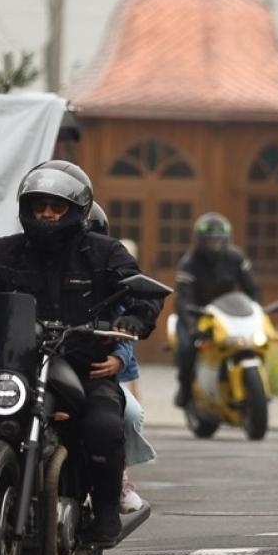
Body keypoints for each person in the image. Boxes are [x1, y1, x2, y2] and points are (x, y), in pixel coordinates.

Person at [0, 162, 161, 546]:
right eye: (39, 205)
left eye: (56, 206)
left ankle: (107, 513)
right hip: (16, 365)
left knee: (103, 427)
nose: (46, 213)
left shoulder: (103, 253)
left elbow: (142, 293)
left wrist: (133, 320)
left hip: (83, 367)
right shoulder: (5, 252)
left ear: (77, 209)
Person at [86, 203, 155, 513]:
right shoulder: (26, 265)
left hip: (91, 370)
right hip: (42, 368)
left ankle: (115, 476)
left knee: (127, 415)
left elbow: (126, 323)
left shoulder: (110, 279)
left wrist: (118, 358)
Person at [173, 212, 260, 408]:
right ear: (200, 241)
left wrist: (255, 309)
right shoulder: (189, 263)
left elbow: (252, 288)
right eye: (210, 240)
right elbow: (184, 298)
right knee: (187, 348)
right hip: (197, 313)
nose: (215, 244)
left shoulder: (236, 257)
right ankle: (185, 390)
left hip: (227, 313)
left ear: (226, 239)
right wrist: (191, 325)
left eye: (218, 240)